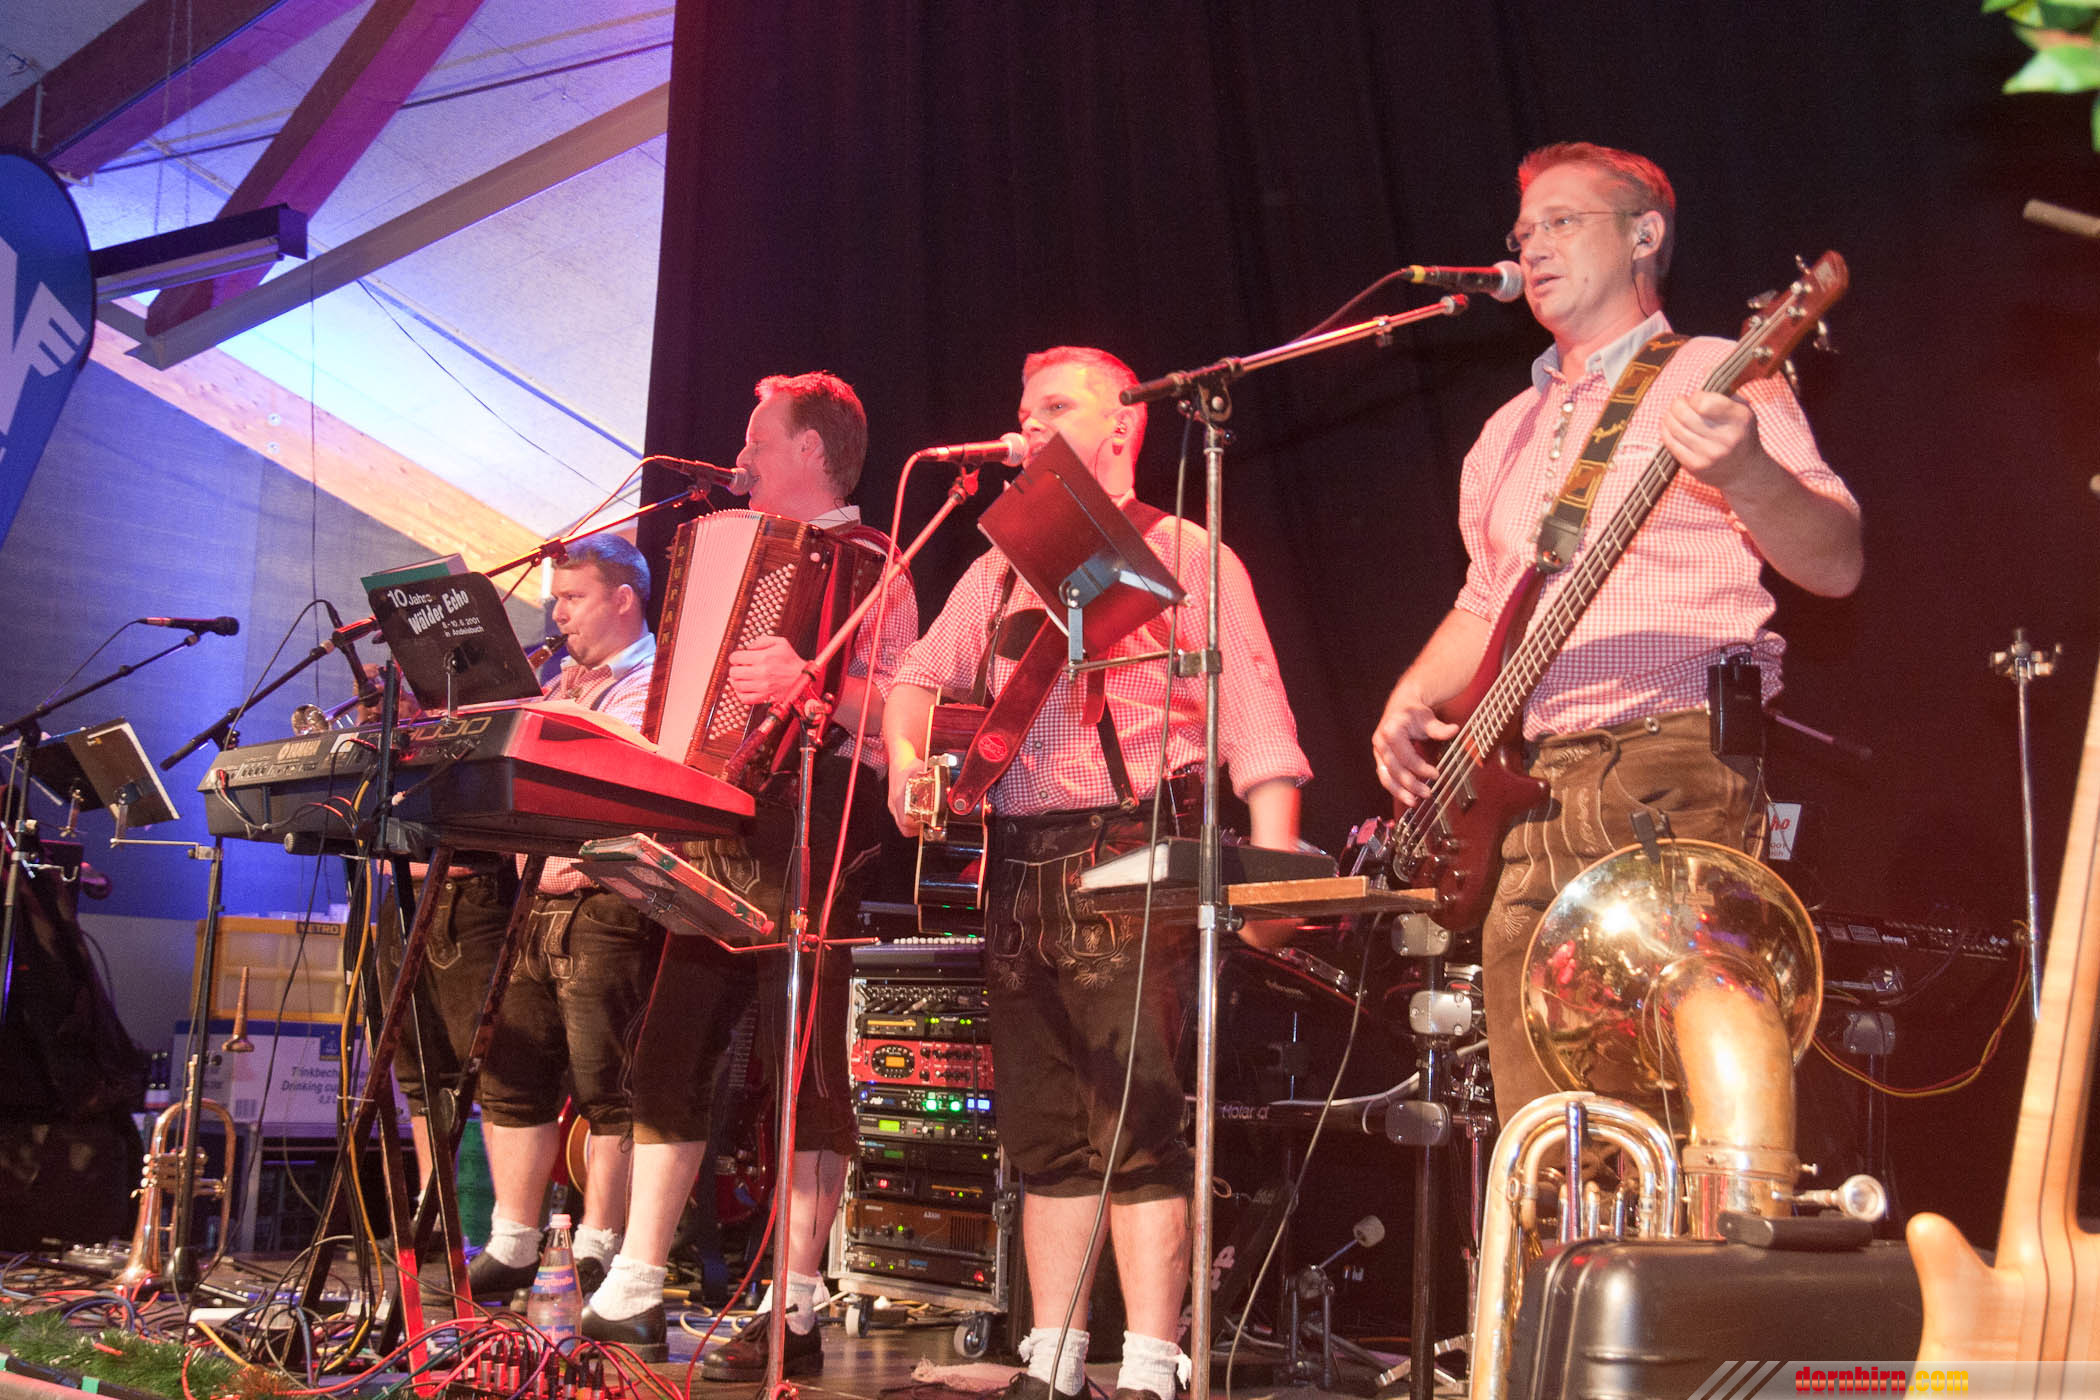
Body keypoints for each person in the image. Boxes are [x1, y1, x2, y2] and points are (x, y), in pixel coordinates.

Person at [1370, 142, 1863, 1120]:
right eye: (1522, 231)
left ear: (1645, 235)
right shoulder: (1504, 432)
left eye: (1562, 222)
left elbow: (1837, 560)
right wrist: (1411, 697)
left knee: (1675, 1107)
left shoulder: (1719, 371)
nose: (1532, 246)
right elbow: (1488, 603)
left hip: (1666, 767)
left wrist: (1749, 472)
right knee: (1544, 1127)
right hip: (1529, 793)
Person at [883, 347, 1311, 1400]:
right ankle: (1054, 1358)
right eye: (1023, 407)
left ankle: (1154, 1367)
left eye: (1055, 406)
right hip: (1018, 863)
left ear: (1123, 425)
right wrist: (904, 760)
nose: (1027, 423)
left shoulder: (1188, 551)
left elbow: (1257, 719)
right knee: (1044, 1133)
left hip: (1134, 851)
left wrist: (1274, 879)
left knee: (1137, 1125)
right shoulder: (996, 565)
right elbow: (916, 673)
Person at [579, 371, 917, 1370]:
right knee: (668, 1048)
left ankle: (796, 1304)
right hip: (718, 819)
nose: (740, 458)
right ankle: (639, 1276)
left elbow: (907, 707)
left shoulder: (874, 563)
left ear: (810, 450)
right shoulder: (732, 544)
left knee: (802, 1068)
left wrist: (817, 686)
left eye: (757, 441)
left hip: (815, 823)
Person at [441, 533, 665, 1303]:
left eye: (573, 598)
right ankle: (512, 1240)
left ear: (623, 599)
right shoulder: (560, 682)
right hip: (534, 901)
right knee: (513, 1074)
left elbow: (614, 776)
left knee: (609, 1084)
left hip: (606, 904)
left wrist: (551, 717)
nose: (558, 614)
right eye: (555, 599)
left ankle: (599, 1245)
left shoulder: (652, 682)